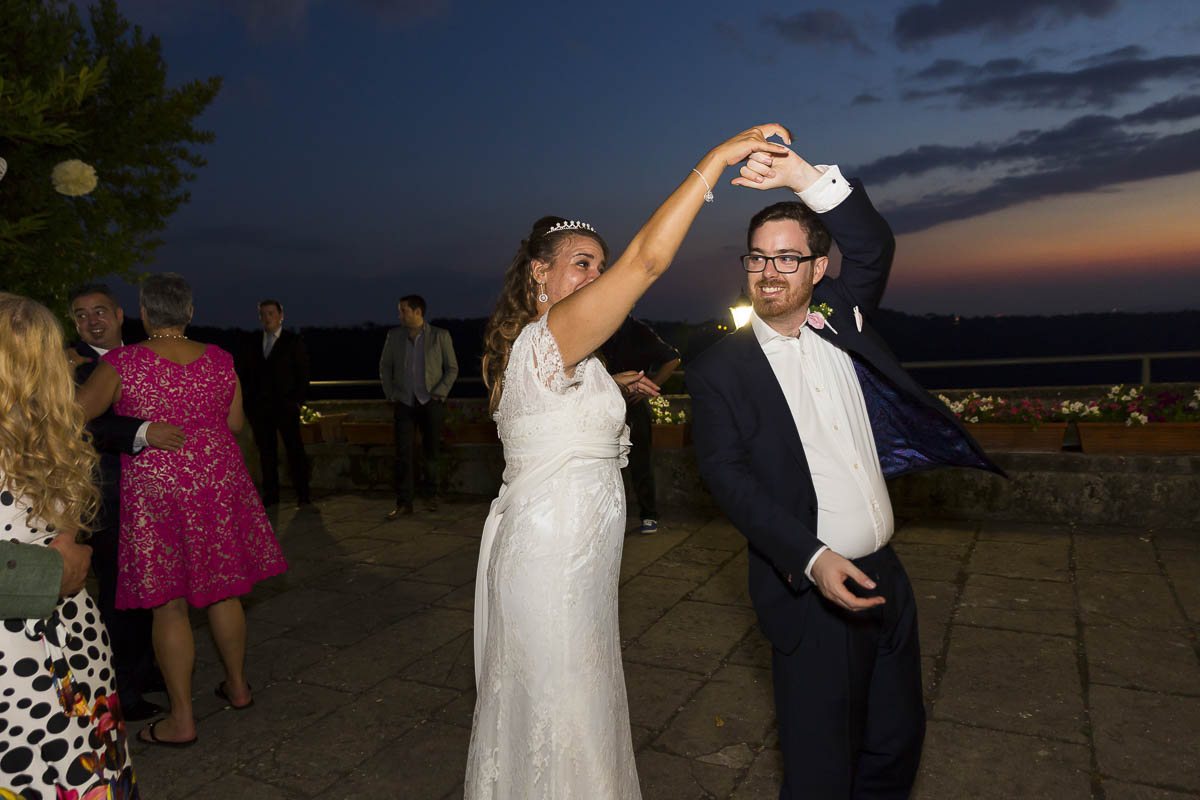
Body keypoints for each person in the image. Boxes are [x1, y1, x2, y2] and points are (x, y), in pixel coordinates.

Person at [464, 124, 791, 799]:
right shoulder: (546, 339)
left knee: (575, 700)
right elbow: (645, 262)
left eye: (598, 263)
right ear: (539, 273)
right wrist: (715, 161)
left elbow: (546, 418)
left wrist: (612, 387)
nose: (596, 274)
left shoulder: (565, 357)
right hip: (549, 559)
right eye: (582, 262)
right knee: (565, 709)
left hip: (577, 563)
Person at [686, 147, 1002, 799]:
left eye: (787, 257)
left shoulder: (842, 319)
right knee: (822, 771)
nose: (768, 273)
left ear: (820, 267)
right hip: (813, 595)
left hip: (888, 576)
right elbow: (728, 477)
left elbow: (873, 241)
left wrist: (804, 179)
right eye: (757, 257)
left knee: (894, 742)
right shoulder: (720, 368)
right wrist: (811, 558)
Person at [77, 273, 288, 747]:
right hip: (216, 482)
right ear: (190, 313)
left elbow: (77, 412)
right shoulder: (220, 359)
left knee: (168, 605)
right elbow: (234, 422)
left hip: (157, 487)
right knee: (222, 591)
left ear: (144, 314)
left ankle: (182, 719)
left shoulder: (125, 362)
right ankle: (237, 687)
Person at [0, 292, 138, 798]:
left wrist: (66, 539)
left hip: (54, 645)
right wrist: (56, 559)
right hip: (39, 644)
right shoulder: (48, 421)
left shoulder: (43, 427)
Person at [68, 283, 185, 721]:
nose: (91, 320)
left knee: (155, 585)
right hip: (107, 490)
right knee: (120, 589)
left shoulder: (147, 357)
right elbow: (78, 426)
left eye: (99, 311)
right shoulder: (69, 368)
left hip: (157, 490)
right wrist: (143, 431)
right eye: (81, 315)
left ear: (120, 315)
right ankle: (123, 690)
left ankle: (149, 667)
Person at [378, 294, 458, 517]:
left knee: (431, 452)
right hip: (404, 402)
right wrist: (390, 393)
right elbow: (384, 367)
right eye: (400, 310)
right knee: (403, 454)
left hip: (430, 403)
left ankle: (431, 496)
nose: (399, 315)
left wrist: (439, 394)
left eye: (403, 310)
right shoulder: (394, 336)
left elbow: (452, 368)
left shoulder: (440, 336)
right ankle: (404, 503)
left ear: (417, 312)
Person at [602, 316, 681, 534]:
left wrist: (652, 384)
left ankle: (648, 515)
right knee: (603, 461)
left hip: (632, 407)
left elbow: (673, 358)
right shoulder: (599, 324)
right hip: (601, 406)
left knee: (640, 461)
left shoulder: (639, 331)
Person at [236, 299, 312, 507]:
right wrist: (249, 405)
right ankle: (271, 495)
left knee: (294, 451)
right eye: (263, 314)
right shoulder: (252, 343)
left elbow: (303, 374)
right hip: (260, 409)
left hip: (286, 407)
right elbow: (244, 374)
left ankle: (303, 494)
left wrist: (297, 402)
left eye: (271, 313)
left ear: (281, 316)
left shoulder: (293, 341)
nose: (267, 318)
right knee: (266, 453)